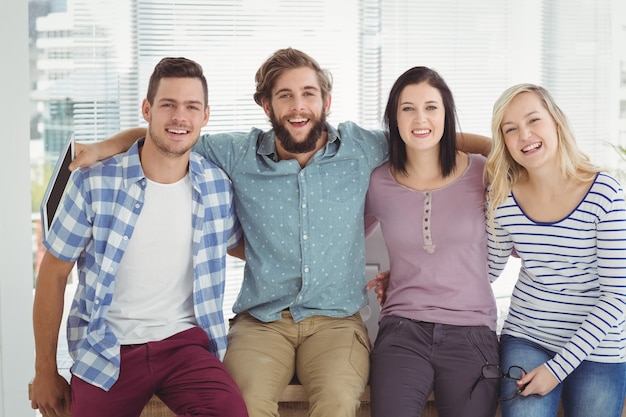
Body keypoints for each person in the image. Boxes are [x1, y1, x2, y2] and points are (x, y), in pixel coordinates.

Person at [69, 48, 492, 417]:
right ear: (265, 104)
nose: (298, 106)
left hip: (337, 321)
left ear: (326, 100)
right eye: (284, 95)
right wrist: (104, 147)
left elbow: (431, 138)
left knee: (341, 402)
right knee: (246, 401)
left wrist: (503, 151)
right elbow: (167, 135)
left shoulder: (362, 148)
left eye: (308, 93)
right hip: (262, 320)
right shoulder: (236, 152)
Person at [31, 57, 248, 417]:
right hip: (108, 348)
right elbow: (53, 273)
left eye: (191, 107)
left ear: (205, 117)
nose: (180, 117)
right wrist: (45, 370)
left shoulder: (216, 186)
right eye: (168, 105)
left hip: (186, 345)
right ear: (147, 109)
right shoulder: (93, 182)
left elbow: (242, 246)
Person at [364, 66, 499, 417]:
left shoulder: (483, 173)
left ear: (447, 114)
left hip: (472, 330)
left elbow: (524, 240)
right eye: (407, 108)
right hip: (402, 329)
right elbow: (338, 240)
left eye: (431, 107)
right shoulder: (378, 182)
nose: (419, 118)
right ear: (394, 118)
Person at [485, 83, 626, 417]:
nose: (525, 135)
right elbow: (483, 273)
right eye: (511, 129)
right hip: (527, 335)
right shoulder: (503, 198)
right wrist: (410, 273)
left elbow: (618, 297)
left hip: (599, 344)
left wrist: (557, 369)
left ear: (556, 123)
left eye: (534, 120)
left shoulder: (605, 193)